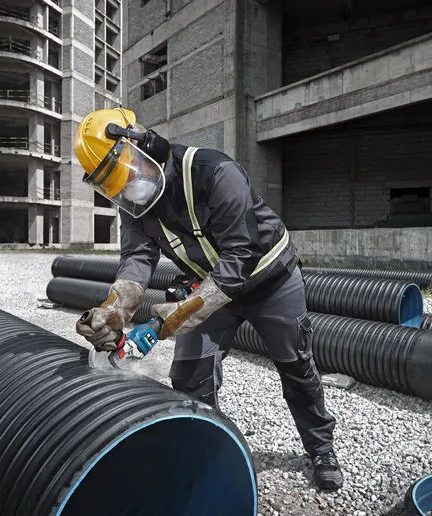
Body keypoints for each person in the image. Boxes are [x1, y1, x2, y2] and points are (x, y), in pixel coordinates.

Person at [73, 107, 343, 491]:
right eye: (114, 186)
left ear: (146, 144)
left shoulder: (215, 173)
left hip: (270, 280)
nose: (127, 189)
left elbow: (241, 256)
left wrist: (186, 310)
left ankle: (321, 448)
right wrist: (115, 308)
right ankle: (210, 449)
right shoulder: (133, 202)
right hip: (209, 287)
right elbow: (136, 258)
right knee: (188, 374)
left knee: (296, 366)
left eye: (126, 176)